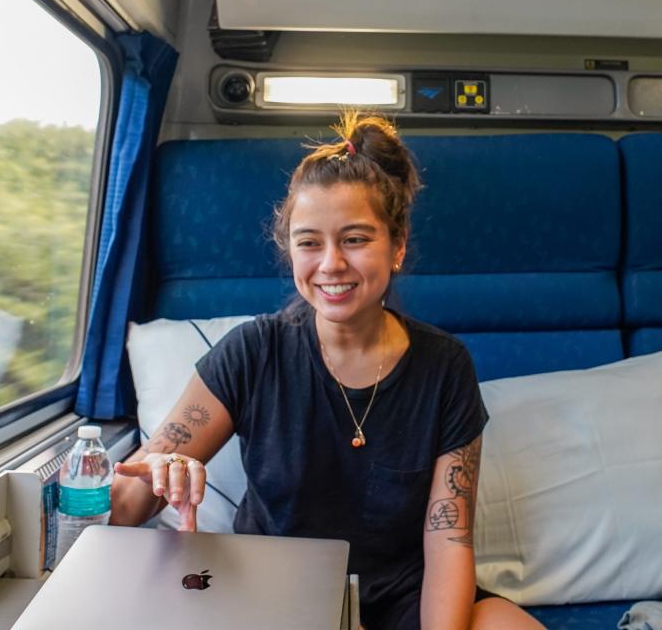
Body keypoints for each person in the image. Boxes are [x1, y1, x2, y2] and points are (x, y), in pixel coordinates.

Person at [110, 114, 544, 630]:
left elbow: (448, 535)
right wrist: (113, 484)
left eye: (355, 239)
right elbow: (136, 489)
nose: (331, 264)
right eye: (310, 242)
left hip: (405, 599)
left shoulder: (444, 366)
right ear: (289, 249)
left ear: (397, 245)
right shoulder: (253, 351)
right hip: (278, 599)